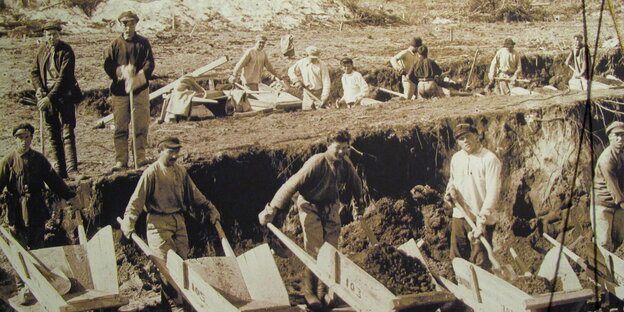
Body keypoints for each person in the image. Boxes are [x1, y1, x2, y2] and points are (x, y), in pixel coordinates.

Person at [258, 130, 364, 310]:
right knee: (315, 249)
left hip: (331, 207)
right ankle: (311, 291)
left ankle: (325, 291)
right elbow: (291, 185)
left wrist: (358, 207)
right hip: (310, 206)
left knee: (331, 250)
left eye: (345, 148)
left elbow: (356, 185)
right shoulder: (316, 162)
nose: (341, 152)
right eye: (338, 148)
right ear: (328, 145)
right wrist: (272, 210)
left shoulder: (345, 163)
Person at [119, 136, 221, 310]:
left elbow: (196, 195)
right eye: (171, 151)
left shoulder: (181, 172)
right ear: (160, 151)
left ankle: (186, 304)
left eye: (177, 151)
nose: (175, 156)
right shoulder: (151, 173)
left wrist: (210, 208)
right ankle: (173, 306)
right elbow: (136, 202)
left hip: (178, 222)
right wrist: (129, 222)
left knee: (183, 266)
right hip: (158, 224)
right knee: (166, 269)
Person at [0, 123, 76, 305]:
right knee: (18, 252)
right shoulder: (8, 161)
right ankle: (22, 289)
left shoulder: (39, 160)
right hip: (16, 213)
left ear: (32, 138)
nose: (23, 141)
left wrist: (70, 196)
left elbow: (54, 181)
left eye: (27, 137)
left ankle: (40, 286)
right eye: (20, 137)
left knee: (38, 249)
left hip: (35, 210)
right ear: (14, 139)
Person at [444, 124, 501, 270]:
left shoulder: (489, 159)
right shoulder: (456, 159)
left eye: (468, 136)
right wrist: (450, 191)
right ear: (458, 142)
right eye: (461, 139)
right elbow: (453, 180)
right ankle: (464, 290)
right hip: (460, 215)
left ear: (476, 136)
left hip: (480, 218)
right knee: (457, 258)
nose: (465, 141)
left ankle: (484, 289)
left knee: (481, 262)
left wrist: (482, 219)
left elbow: (493, 191)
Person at [104, 11, 155, 171]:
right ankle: (121, 160)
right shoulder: (115, 45)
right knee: (120, 127)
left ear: (136, 25)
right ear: (120, 25)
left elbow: (149, 63)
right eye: (125, 23)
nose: (128, 27)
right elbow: (108, 65)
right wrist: (121, 71)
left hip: (139, 91)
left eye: (131, 23)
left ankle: (140, 158)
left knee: (140, 126)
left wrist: (139, 76)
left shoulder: (143, 43)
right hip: (120, 93)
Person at [31, 21, 82, 179]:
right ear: (44, 36)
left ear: (59, 35)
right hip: (47, 97)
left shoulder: (66, 51)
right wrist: (39, 89)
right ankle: (60, 170)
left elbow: (64, 78)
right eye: (48, 34)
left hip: (64, 95)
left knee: (67, 132)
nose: (52, 37)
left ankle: (72, 170)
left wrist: (49, 97)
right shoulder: (42, 51)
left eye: (54, 34)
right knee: (53, 133)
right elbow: (34, 72)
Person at [591, 121, 624, 252]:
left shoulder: (621, 154)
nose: (620, 138)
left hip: (616, 205)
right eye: (617, 135)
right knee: (604, 242)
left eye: (623, 135)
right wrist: (622, 203)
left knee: (620, 237)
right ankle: (604, 270)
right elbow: (612, 185)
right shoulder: (607, 159)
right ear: (610, 137)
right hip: (602, 203)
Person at [288, 46, 331, 110]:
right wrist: (296, 81)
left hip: (319, 94)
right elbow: (291, 71)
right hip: (307, 93)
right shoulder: (301, 63)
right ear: (307, 55)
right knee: (307, 113)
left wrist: (324, 97)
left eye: (315, 58)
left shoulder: (322, 65)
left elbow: (326, 82)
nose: (314, 59)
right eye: (312, 58)